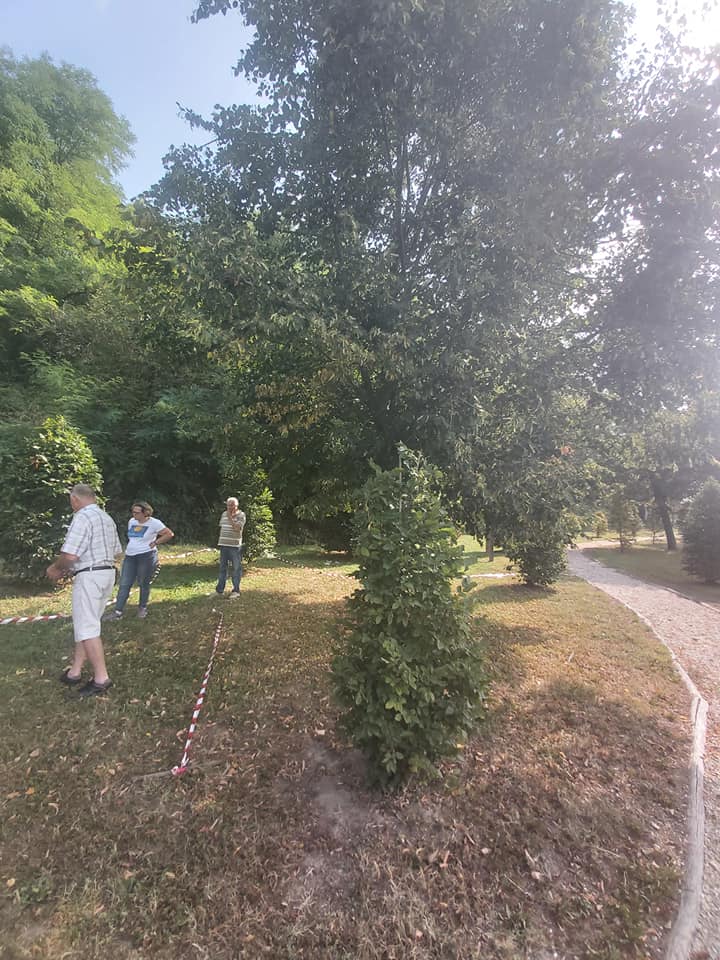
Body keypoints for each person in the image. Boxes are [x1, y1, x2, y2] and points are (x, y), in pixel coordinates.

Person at [46, 484, 122, 698]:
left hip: (90, 577)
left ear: (75, 499)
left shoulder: (82, 517)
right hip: (107, 573)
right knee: (88, 623)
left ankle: (101, 679)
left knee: (87, 627)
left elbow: (70, 555)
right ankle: (75, 671)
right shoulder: (106, 518)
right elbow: (117, 552)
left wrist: (56, 568)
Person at [104, 501, 174, 620]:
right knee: (124, 583)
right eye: (133, 512)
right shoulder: (132, 521)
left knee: (143, 582)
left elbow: (169, 534)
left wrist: (156, 542)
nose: (134, 514)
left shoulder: (155, 523)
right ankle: (118, 611)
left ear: (145, 513)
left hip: (146, 556)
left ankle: (142, 608)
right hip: (130, 556)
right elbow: (133, 538)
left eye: (137, 512)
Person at [216, 497, 246, 599]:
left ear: (236, 505)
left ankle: (236, 591)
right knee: (222, 568)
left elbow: (237, 528)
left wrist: (230, 518)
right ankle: (219, 590)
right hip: (223, 544)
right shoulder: (224, 514)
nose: (229, 507)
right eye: (228, 505)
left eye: (232, 505)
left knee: (236, 568)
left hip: (234, 546)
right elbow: (222, 527)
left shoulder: (241, 515)